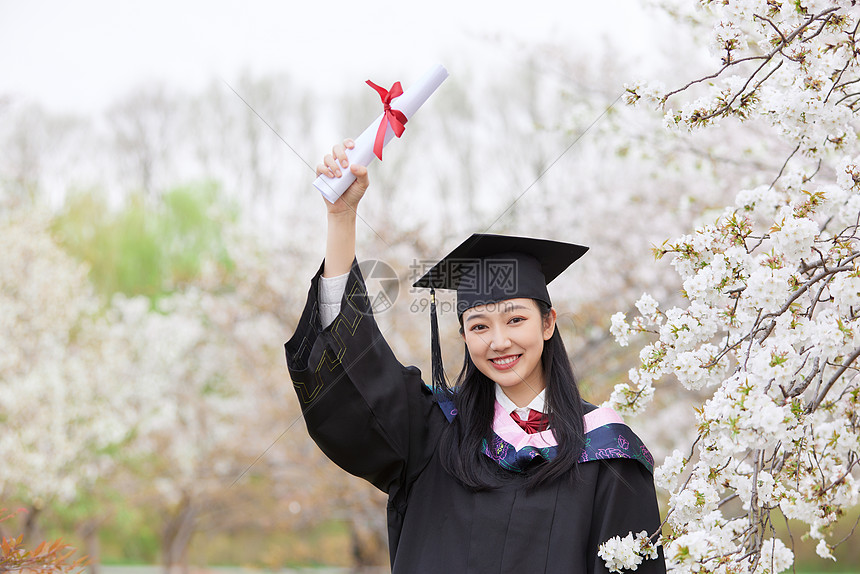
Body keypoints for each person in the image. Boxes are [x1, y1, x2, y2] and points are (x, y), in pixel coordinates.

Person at [285, 139, 666, 573]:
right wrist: (342, 217)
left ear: (548, 323)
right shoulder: (432, 434)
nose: (498, 341)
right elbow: (357, 376)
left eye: (515, 320)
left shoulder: (607, 453)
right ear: (464, 336)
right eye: (480, 326)